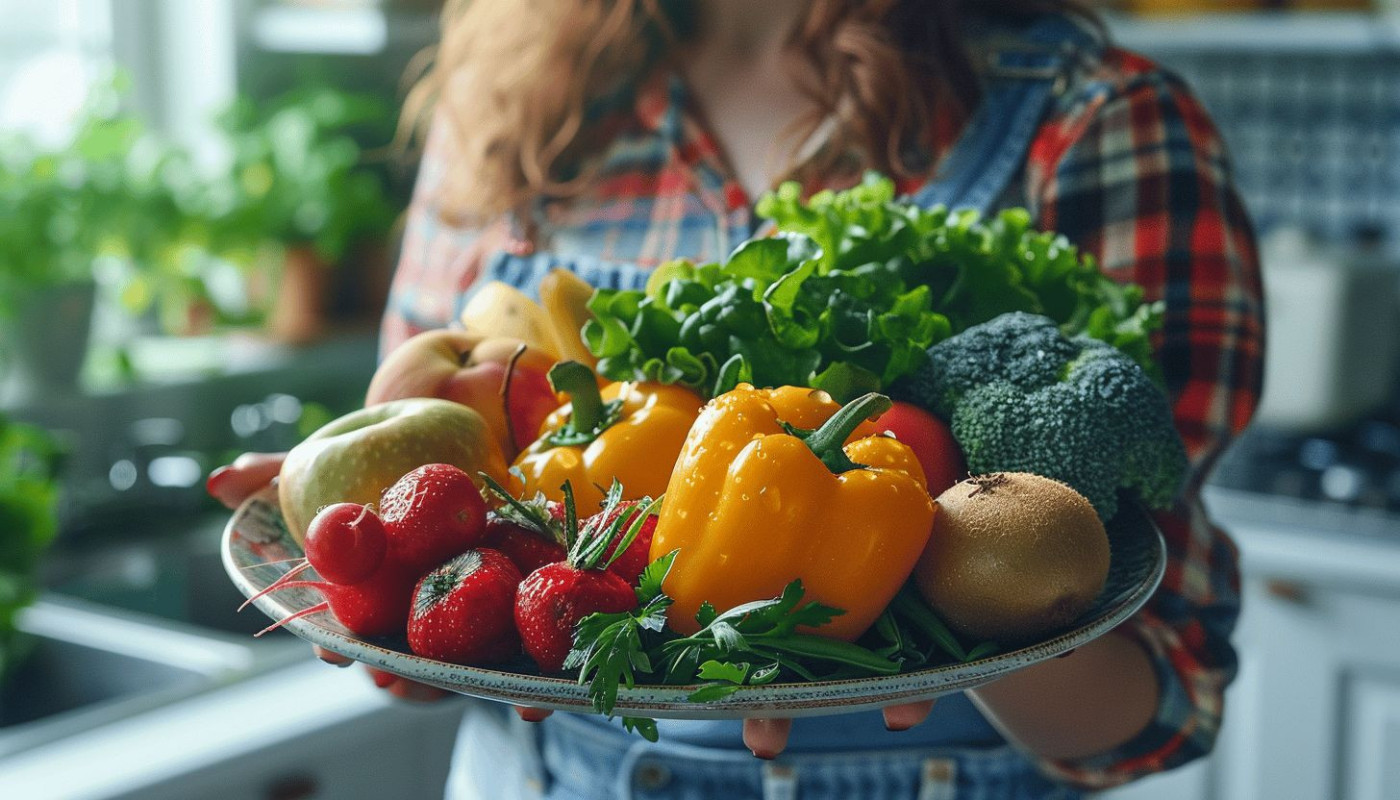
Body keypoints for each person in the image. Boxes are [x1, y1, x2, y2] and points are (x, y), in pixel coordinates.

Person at [208, 1, 1264, 797]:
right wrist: (365, 565)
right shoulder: (508, 109)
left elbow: (1157, 694)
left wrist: (964, 625)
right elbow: (438, 623)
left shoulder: (1096, 120)